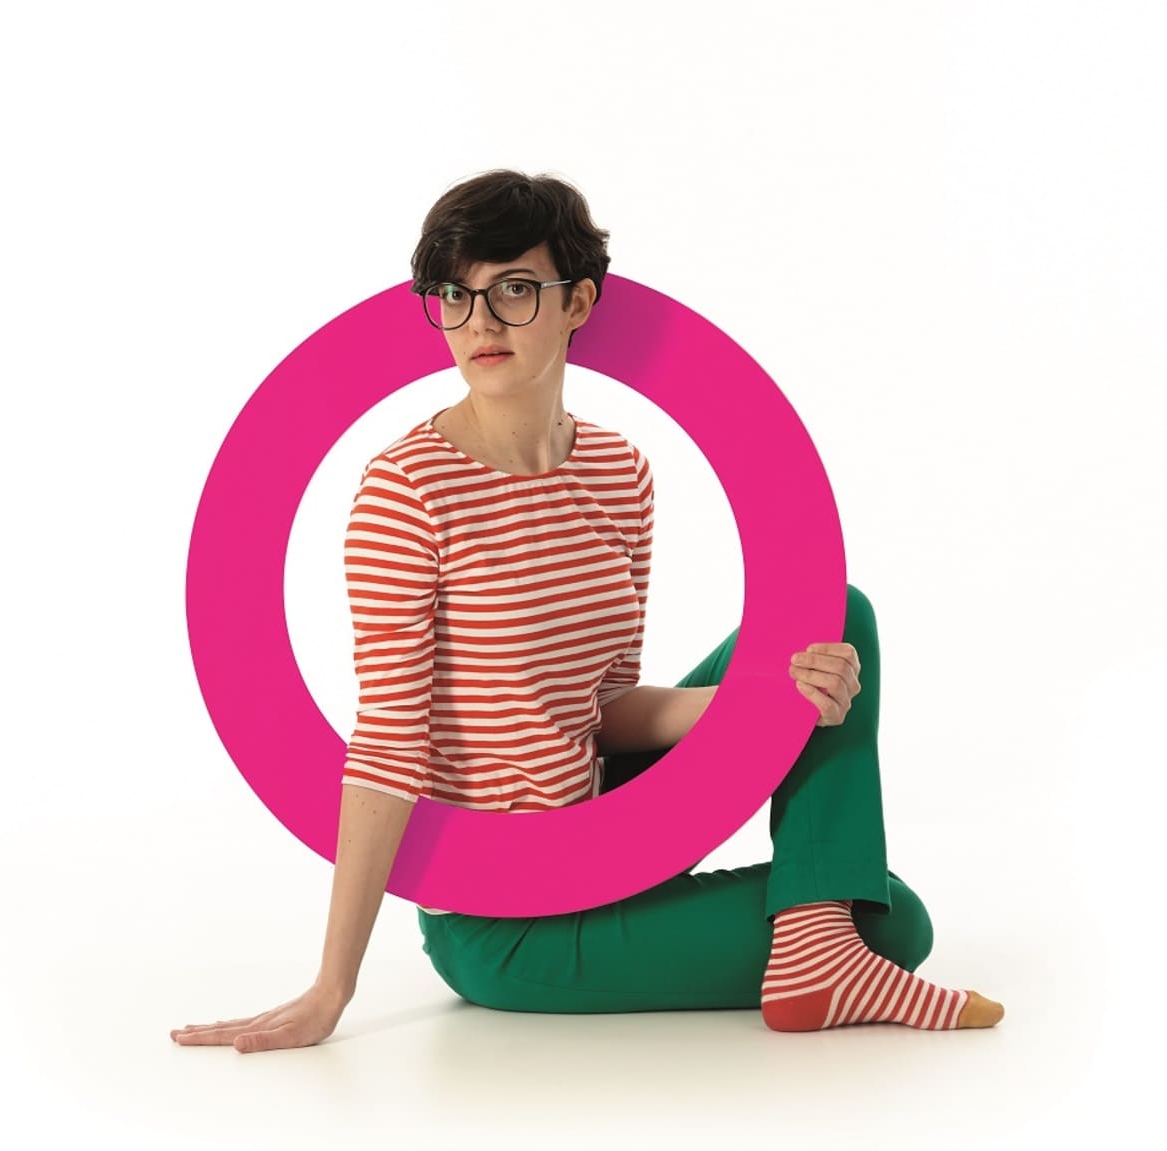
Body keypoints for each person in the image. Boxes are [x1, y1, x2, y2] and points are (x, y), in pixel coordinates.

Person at [171, 170, 1004, 1053]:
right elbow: (389, 743)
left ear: (578, 302)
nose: (480, 323)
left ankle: (814, 944)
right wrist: (331, 987)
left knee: (833, 618)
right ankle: (819, 944)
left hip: (609, 828)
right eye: (454, 294)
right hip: (506, 919)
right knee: (893, 919)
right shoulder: (406, 490)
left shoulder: (619, 472)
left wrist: (766, 704)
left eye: (513, 289)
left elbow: (604, 708)